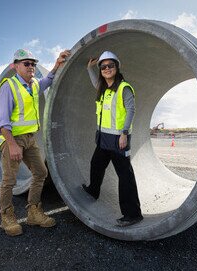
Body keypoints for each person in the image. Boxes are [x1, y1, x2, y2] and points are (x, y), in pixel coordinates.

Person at [0, 48, 70, 236]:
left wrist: (57, 64)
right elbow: (2, 121)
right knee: (9, 180)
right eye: (26, 63)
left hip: (29, 138)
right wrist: (12, 145)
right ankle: (7, 217)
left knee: (40, 172)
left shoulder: (34, 85)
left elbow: (48, 81)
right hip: (12, 139)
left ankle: (33, 212)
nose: (31, 67)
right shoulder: (9, 86)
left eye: (33, 64)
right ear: (15, 66)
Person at [82, 51, 143, 227]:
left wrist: (124, 133)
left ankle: (133, 214)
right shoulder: (103, 89)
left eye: (110, 66)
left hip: (118, 139)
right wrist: (89, 68)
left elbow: (131, 110)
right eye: (103, 67)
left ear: (116, 68)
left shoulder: (124, 88)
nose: (107, 69)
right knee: (96, 164)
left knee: (125, 176)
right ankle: (93, 191)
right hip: (103, 138)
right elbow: (95, 82)